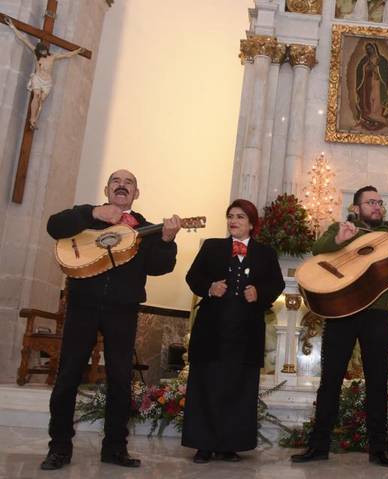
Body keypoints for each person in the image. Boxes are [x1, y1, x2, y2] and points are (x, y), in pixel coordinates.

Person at [43, 170, 181, 470]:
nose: (122, 185)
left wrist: (167, 240)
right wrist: (92, 212)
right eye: (116, 181)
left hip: (123, 309)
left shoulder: (145, 229)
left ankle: (114, 448)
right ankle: (59, 448)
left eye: (129, 182)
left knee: (120, 379)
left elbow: (160, 267)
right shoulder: (86, 218)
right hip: (82, 305)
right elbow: (54, 226)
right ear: (107, 189)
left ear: (136, 193)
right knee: (68, 375)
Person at [291, 185, 388, 468]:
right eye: (370, 202)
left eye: (380, 202)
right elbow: (318, 250)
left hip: (376, 315)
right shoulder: (342, 227)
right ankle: (318, 446)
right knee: (330, 382)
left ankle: (378, 450)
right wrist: (339, 239)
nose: (377, 206)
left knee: (377, 384)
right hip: (340, 313)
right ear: (356, 208)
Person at [182, 199, 285, 463]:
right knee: (206, 385)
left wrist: (259, 293)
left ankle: (230, 445)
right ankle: (203, 445)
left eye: (240, 217)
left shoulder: (266, 253)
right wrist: (209, 287)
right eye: (230, 216)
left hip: (245, 333)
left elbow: (277, 283)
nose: (233, 221)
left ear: (251, 223)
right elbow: (193, 277)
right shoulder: (212, 247)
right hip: (211, 331)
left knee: (239, 388)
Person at [5, 18, 84, 129]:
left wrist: (77, 51)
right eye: (42, 51)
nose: (44, 52)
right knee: (36, 96)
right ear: (39, 51)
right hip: (37, 78)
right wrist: (12, 26)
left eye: (45, 50)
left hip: (47, 82)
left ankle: (35, 120)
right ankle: (32, 119)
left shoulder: (52, 57)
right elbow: (23, 39)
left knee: (41, 100)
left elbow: (67, 55)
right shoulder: (36, 53)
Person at [354, 42, 388, 131]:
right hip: (367, 84)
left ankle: (377, 116)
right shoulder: (364, 60)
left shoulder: (382, 60)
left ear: (374, 49)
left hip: (378, 83)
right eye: (367, 49)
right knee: (369, 99)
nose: (369, 50)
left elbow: (386, 73)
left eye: (370, 48)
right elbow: (360, 71)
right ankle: (369, 116)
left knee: (377, 99)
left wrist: (376, 70)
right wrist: (366, 69)